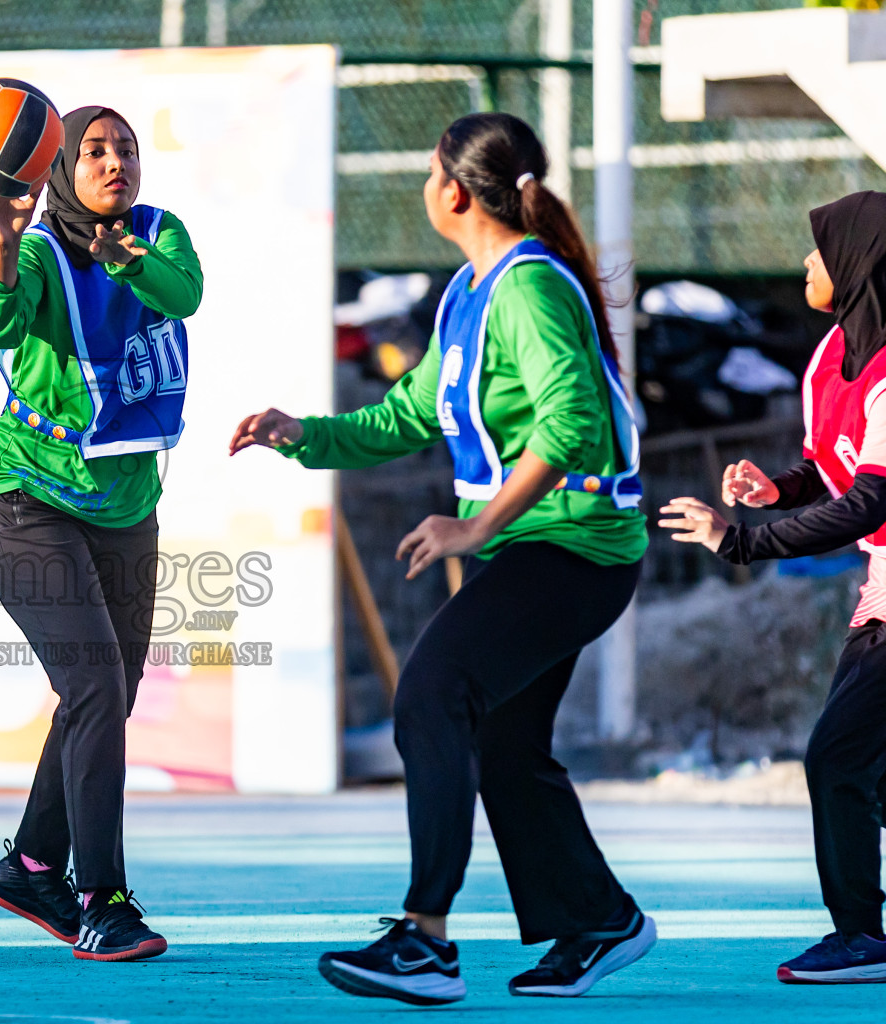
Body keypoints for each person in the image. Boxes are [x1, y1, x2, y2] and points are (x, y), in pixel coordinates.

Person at [230, 112, 655, 1005]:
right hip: (536, 548)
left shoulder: (529, 288)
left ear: (454, 190)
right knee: (503, 743)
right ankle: (598, 917)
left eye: (430, 171)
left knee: (431, 693)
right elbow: (407, 416)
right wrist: (300, 433)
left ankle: (426, 938)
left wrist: (473, 525)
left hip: (576, 548)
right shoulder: (472, 290)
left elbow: (572, 423)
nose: (426, 186)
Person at [0, 104, 203, 962]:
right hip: (26, 498)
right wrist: (1, 241)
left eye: (128, 148)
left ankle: (32, 866)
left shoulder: (158, 235)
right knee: (98, 686)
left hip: (125, 505)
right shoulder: (36, 251)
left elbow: (186, 296)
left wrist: (130, 260)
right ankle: (103, 900)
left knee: (107, 694)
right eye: (95, 150)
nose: (115, 162)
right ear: (60, 167)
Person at [660, 190, 886, 985]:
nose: (805, 263)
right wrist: (777, 489)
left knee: (838, 759)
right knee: (856, 767)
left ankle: (864, 936)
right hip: (881, 589)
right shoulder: (834, 356)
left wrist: (744, 542)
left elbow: (874, 497)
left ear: (859, 263)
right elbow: (838, 471)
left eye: (819, 250)